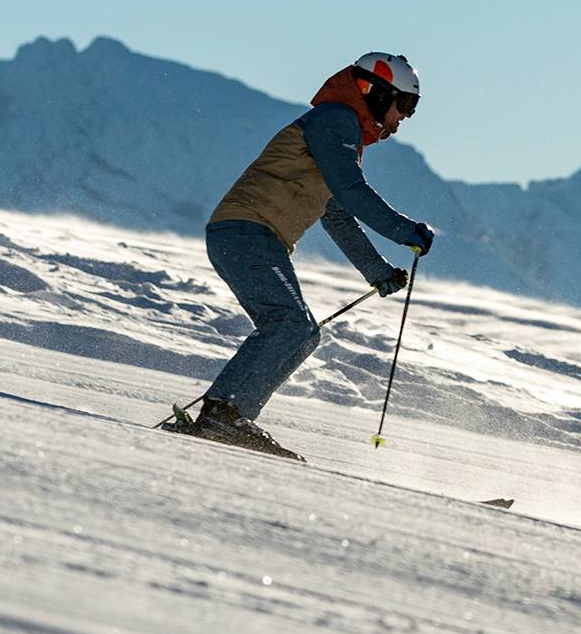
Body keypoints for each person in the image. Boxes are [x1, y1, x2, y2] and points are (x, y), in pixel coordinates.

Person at [169, 52, 435, 460]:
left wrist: (378, 271)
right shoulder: (336, 120)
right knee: (289, 324)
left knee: (304, 333)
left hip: (248, 236)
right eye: (405, 105)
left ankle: (229, 414)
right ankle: (224, 414)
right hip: (247, 232)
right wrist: (404, 230)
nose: (404, 118)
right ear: (376, 92)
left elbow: (337, 215)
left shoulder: (341, 134)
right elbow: (350, 190)